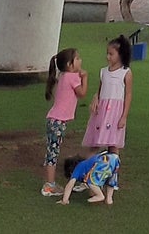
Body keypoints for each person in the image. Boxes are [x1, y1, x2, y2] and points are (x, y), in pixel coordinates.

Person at [41, 47, 87, 196]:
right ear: (70, 64)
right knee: (53, 153)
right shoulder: (72, 77)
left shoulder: (63, 75)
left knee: (51, 152)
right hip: (58, 122)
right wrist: (85, 78)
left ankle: (50, 183)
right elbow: (82, 93)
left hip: (53, 120)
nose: (80, 60)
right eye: (77, 58)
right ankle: (49, 186)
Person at [83, 35, 133, 155]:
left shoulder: (125, 73)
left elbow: (128, 95)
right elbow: (100, 90)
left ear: (120, 55)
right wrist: (96, 98)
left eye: (111, 54)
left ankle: (112, 171)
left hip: (116, 113)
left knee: (114, 144)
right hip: (102, 111)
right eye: (107, 53)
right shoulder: (103, 72)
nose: (108, 57)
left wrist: (124, 116)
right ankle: (90, 170)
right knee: (95, 143)